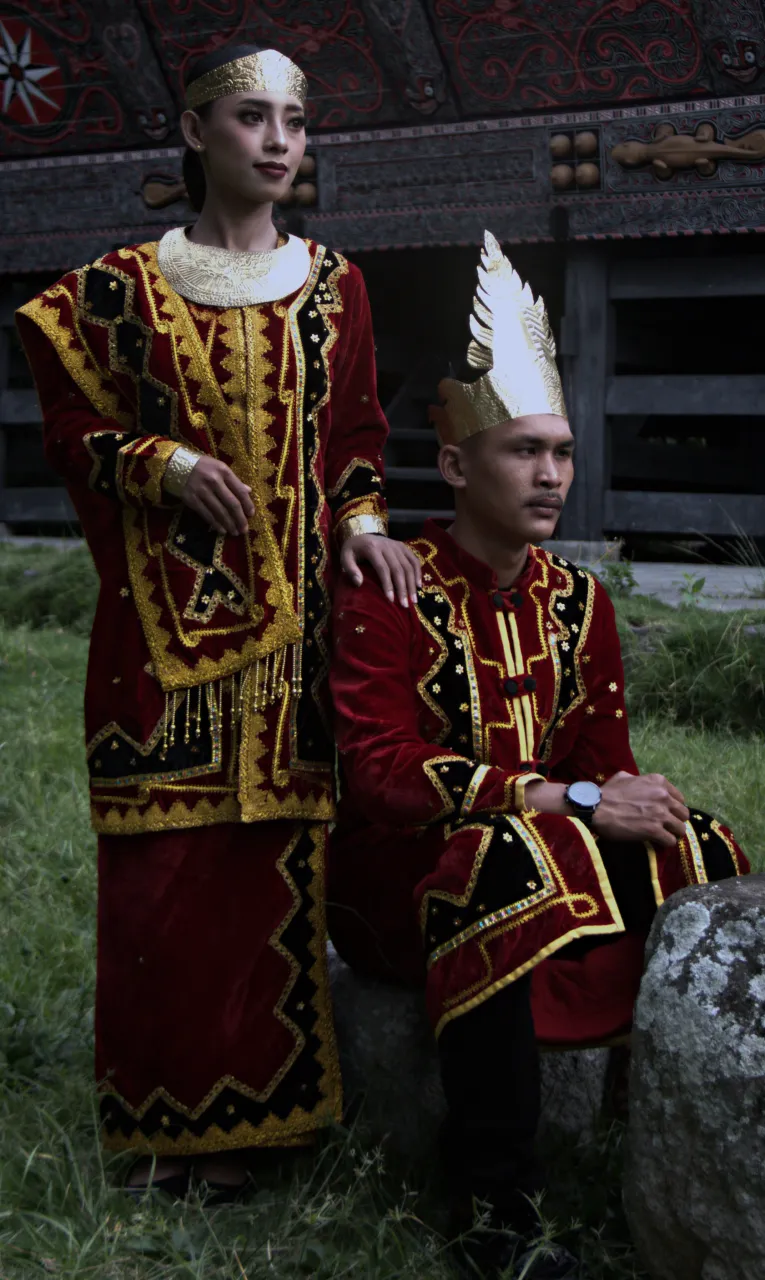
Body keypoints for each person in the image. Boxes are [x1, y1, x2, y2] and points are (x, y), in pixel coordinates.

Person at [16, 43, 420, 1198]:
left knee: (269, 865)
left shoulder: (335, 284)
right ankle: (163, 1126)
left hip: (296, 637)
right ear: (197, 133)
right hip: (160, 636)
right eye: (252, 117)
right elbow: (69, 428)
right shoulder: (114, 289)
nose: (279, 140)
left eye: (295, 119)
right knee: (163, 870)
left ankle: (264, 1121)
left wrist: (364, 522)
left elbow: (355, 435)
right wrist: (163, 463)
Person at [327, 232, 748, 1278]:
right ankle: (494, 1215)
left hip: (536, 844)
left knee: (695, 841)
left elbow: (607, 756)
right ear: (457, 463)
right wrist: (563, 798)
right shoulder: (391, 585)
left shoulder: (580, 599)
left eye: (560, 451)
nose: (551, 473)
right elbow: (379, 773)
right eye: (523, 451)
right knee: (503, 861)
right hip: (397, 877)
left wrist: (623, 799)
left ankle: (654, 1123)